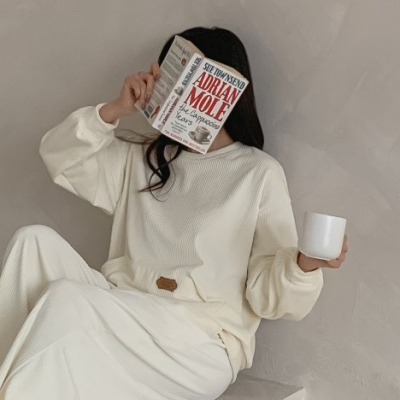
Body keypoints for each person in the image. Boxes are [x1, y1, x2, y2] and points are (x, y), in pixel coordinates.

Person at [0, 26, 349, 400]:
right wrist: (115, 110)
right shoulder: (145, 158)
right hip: (125, 311)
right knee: (32, 241)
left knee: (67, 299)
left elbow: (266, 295)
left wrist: (303, 266)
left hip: (197, 343)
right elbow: (60, 156)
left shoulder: (257, 172)